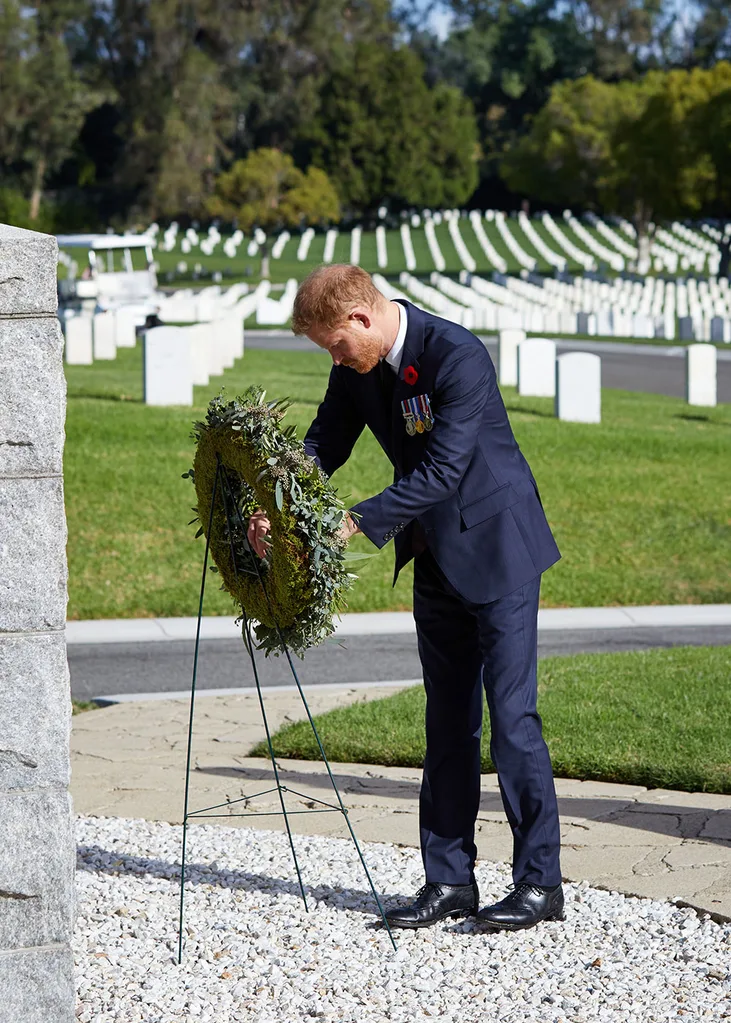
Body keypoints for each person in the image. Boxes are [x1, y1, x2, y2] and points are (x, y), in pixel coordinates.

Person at [248, 264, 564, 932]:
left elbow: (445, 468)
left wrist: (356, 519)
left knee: (511, 721)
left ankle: (539, 883)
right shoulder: (356, 371)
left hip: (498, 550)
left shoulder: (455, 354)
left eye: (335, 344)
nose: (334, 358)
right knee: (446, 725)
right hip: (433, 557)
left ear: (361, 317)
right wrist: (278, 502)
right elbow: (323, 442)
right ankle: (449, 879)